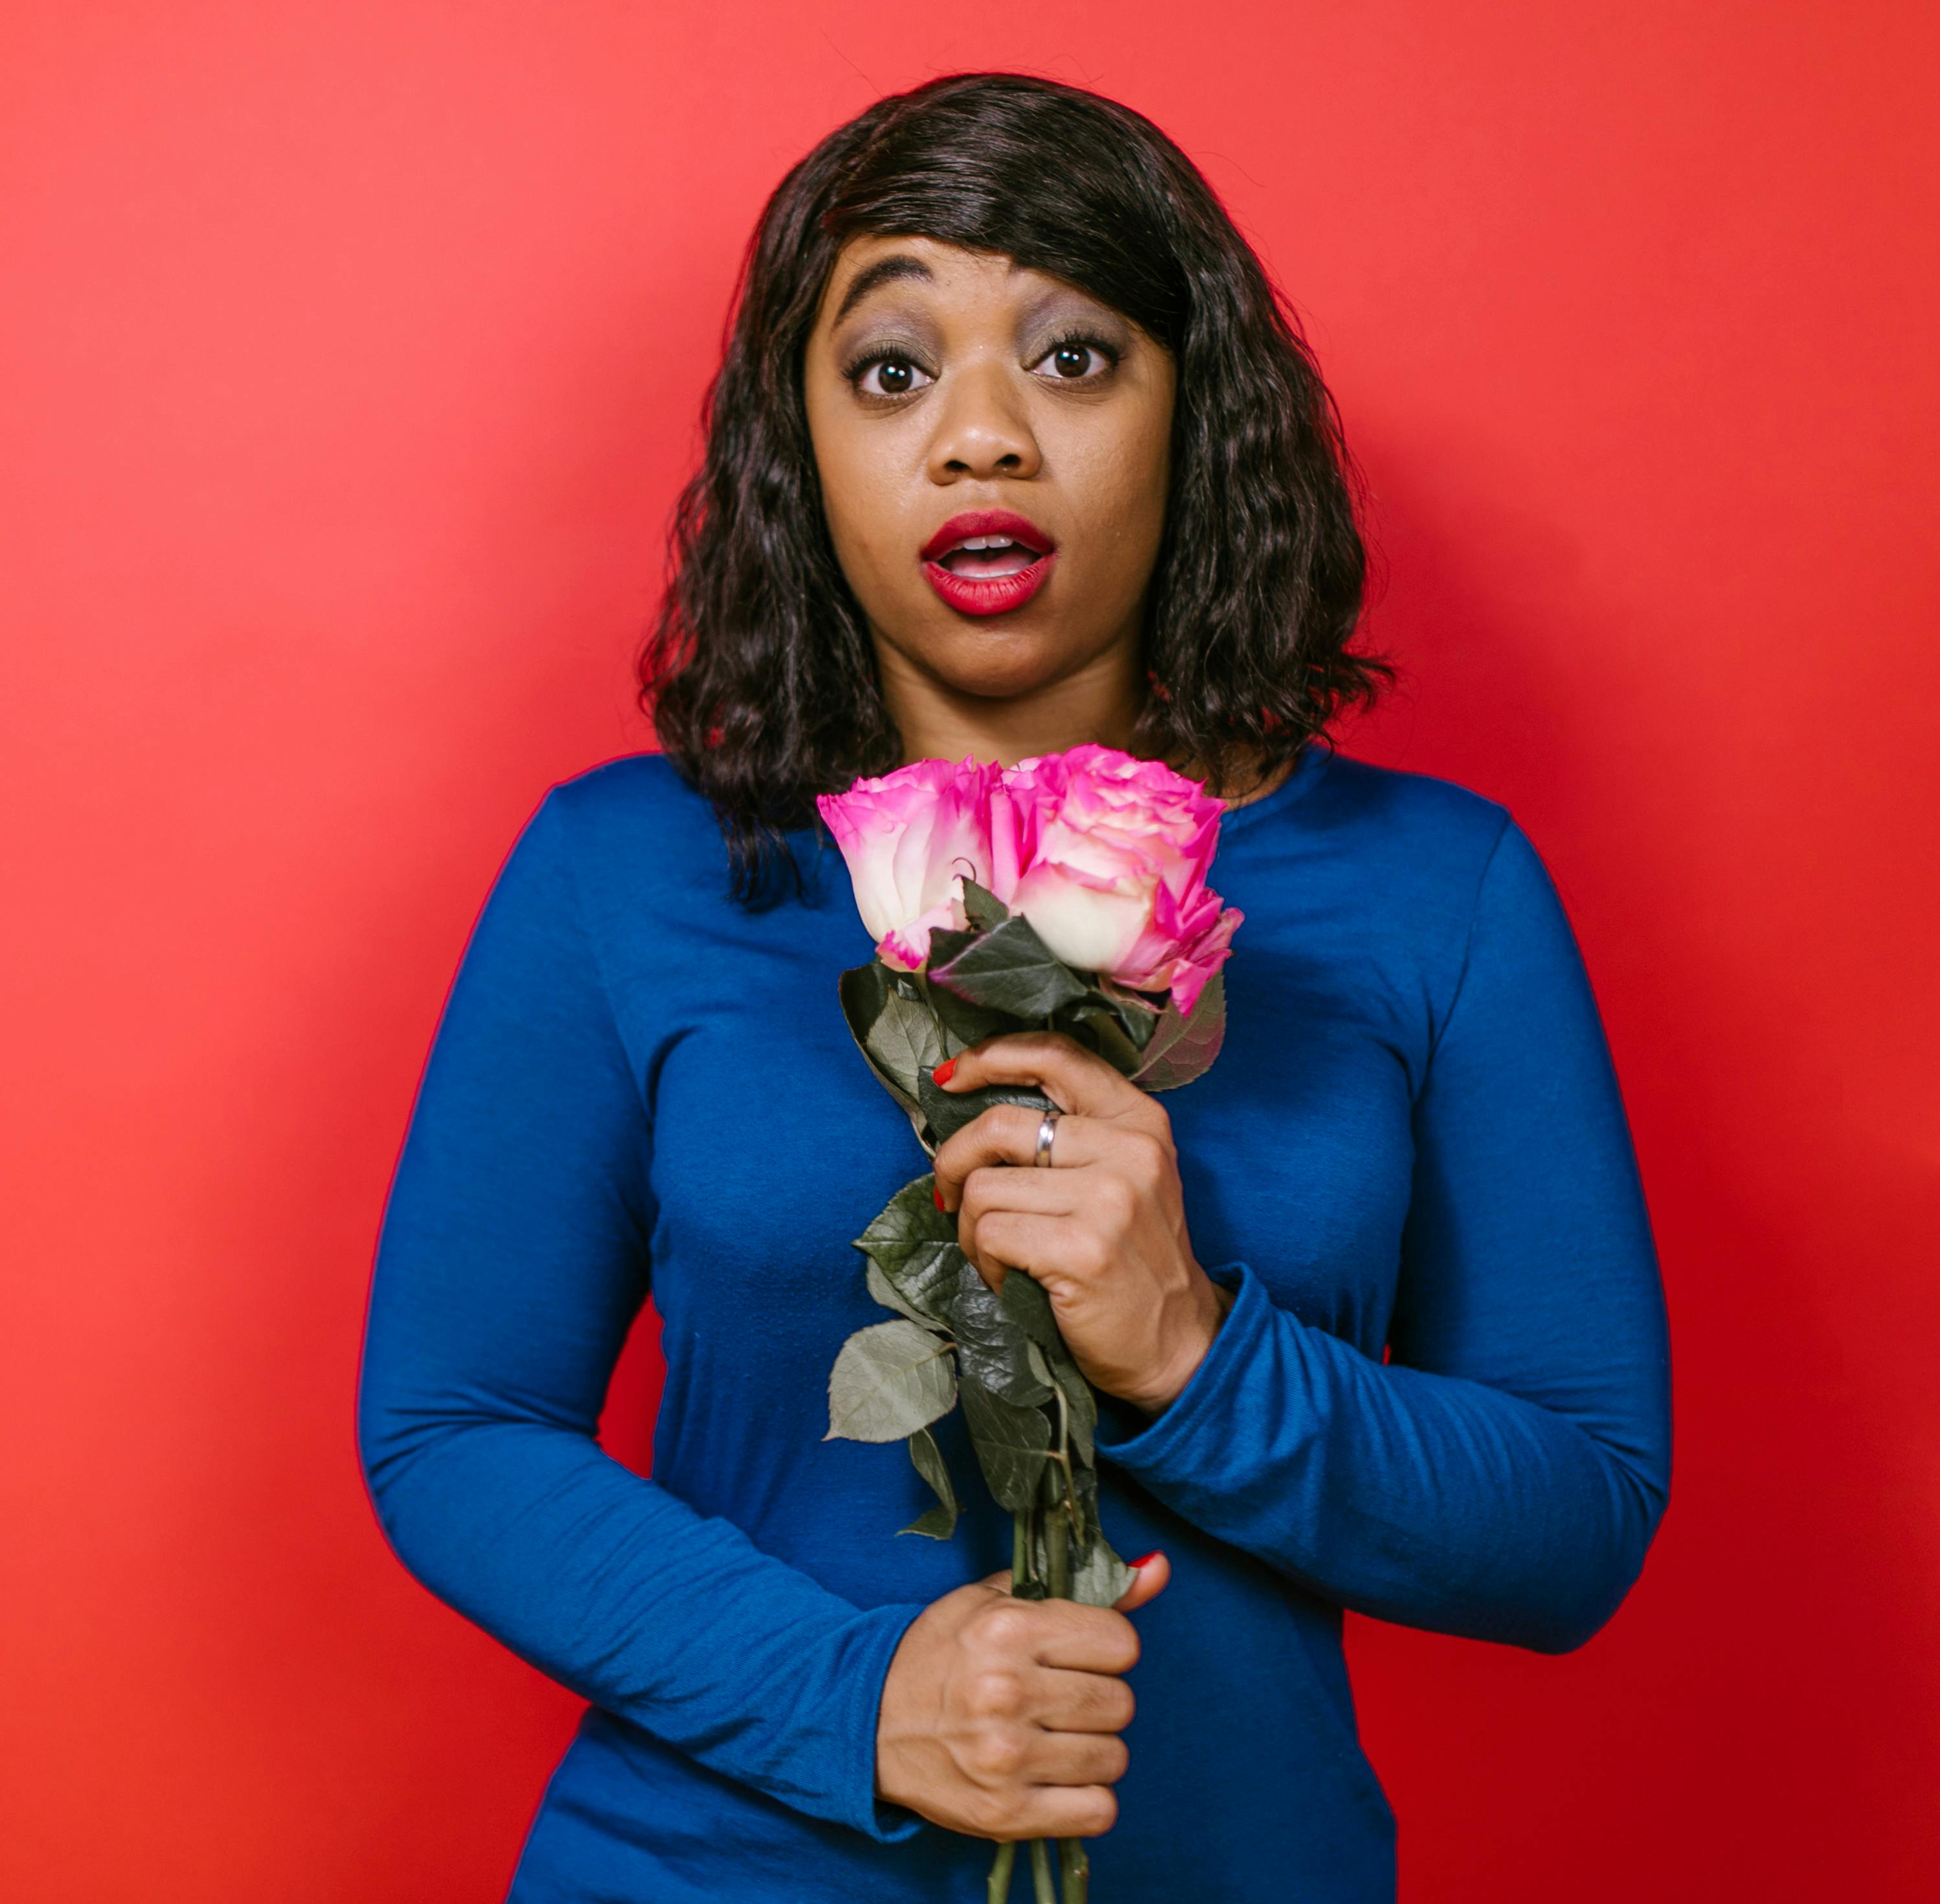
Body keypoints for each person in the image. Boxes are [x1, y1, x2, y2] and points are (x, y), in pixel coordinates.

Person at [357, 72, 1669, 1901]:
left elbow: (1576, 1524)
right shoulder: (619, 870)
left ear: (1191, 411)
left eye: (1071, 358)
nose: (980, 439)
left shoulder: (1437, 891)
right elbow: (453, 1425)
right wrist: (858, 1694)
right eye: (891, 370)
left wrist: (1195, 1352)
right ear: (794, 446)